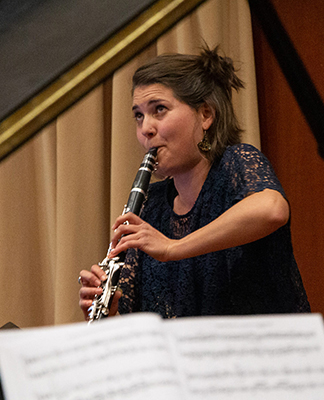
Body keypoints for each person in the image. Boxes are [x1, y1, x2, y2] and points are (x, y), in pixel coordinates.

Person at [79, 46, 310, 320]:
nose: (145, 129)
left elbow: (272, 209)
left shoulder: (236, 164)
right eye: (139, 115)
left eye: (159, 109)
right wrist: (109, 314)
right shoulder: (150, 207)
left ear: (205, 115)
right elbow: (140, 330)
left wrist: (173, 248)